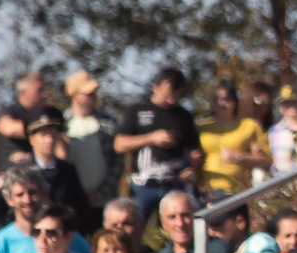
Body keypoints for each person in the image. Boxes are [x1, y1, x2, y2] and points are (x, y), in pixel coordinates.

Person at [112, 68, 200, 216]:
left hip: (175, 184)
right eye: (168, 93)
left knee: (180, 223)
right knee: (134, 224)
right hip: (143, 186)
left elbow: (194, 151)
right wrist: (151, 138)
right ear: (155, 86)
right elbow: (119, 145)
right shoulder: (137, 111)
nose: (171, 99)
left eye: (176, 94)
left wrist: (192, 168)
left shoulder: (183, 116)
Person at [0, 168, 88, 253]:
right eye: (20, 195)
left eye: (32, 193)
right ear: (9, 200)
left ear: (44, 194)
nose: (27, 200)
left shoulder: (64, 237)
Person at [197, 82, 270, 195]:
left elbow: (266, 160)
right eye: (217, 99)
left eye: (227, 99)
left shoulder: (249, 125)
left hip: (237, 190)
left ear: (235, 101)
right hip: (207, 190)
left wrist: (240, 156)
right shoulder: (202, 127)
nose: (222, 103)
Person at [19, 113, 89, 222]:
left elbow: (81, 208)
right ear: (32, 139)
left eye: (53, 135)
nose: (49, 140)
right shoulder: (20, 170)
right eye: (44, 135)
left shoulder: (67, 170)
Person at [62, 70, 118, 201]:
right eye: (87, 93)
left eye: (94, 92)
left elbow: (117, 164)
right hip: (71, 199)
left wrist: (101, 193)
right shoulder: (61, 124)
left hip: (104, 200)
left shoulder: (108, 123)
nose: (93, 96)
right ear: (74, 95)